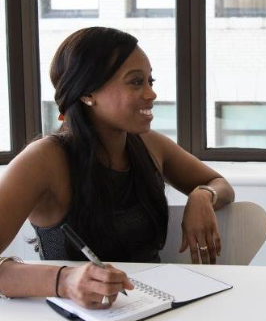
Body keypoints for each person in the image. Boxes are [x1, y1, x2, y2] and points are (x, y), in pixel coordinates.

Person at [0, 27, 235, 308]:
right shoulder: (43, 159)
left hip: (154, 308)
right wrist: (64, 281)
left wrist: (201, 195)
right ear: (87, 92)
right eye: (136, 82)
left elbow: (219, 184)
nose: (152, 93)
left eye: (150, 80)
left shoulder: (148, 143)